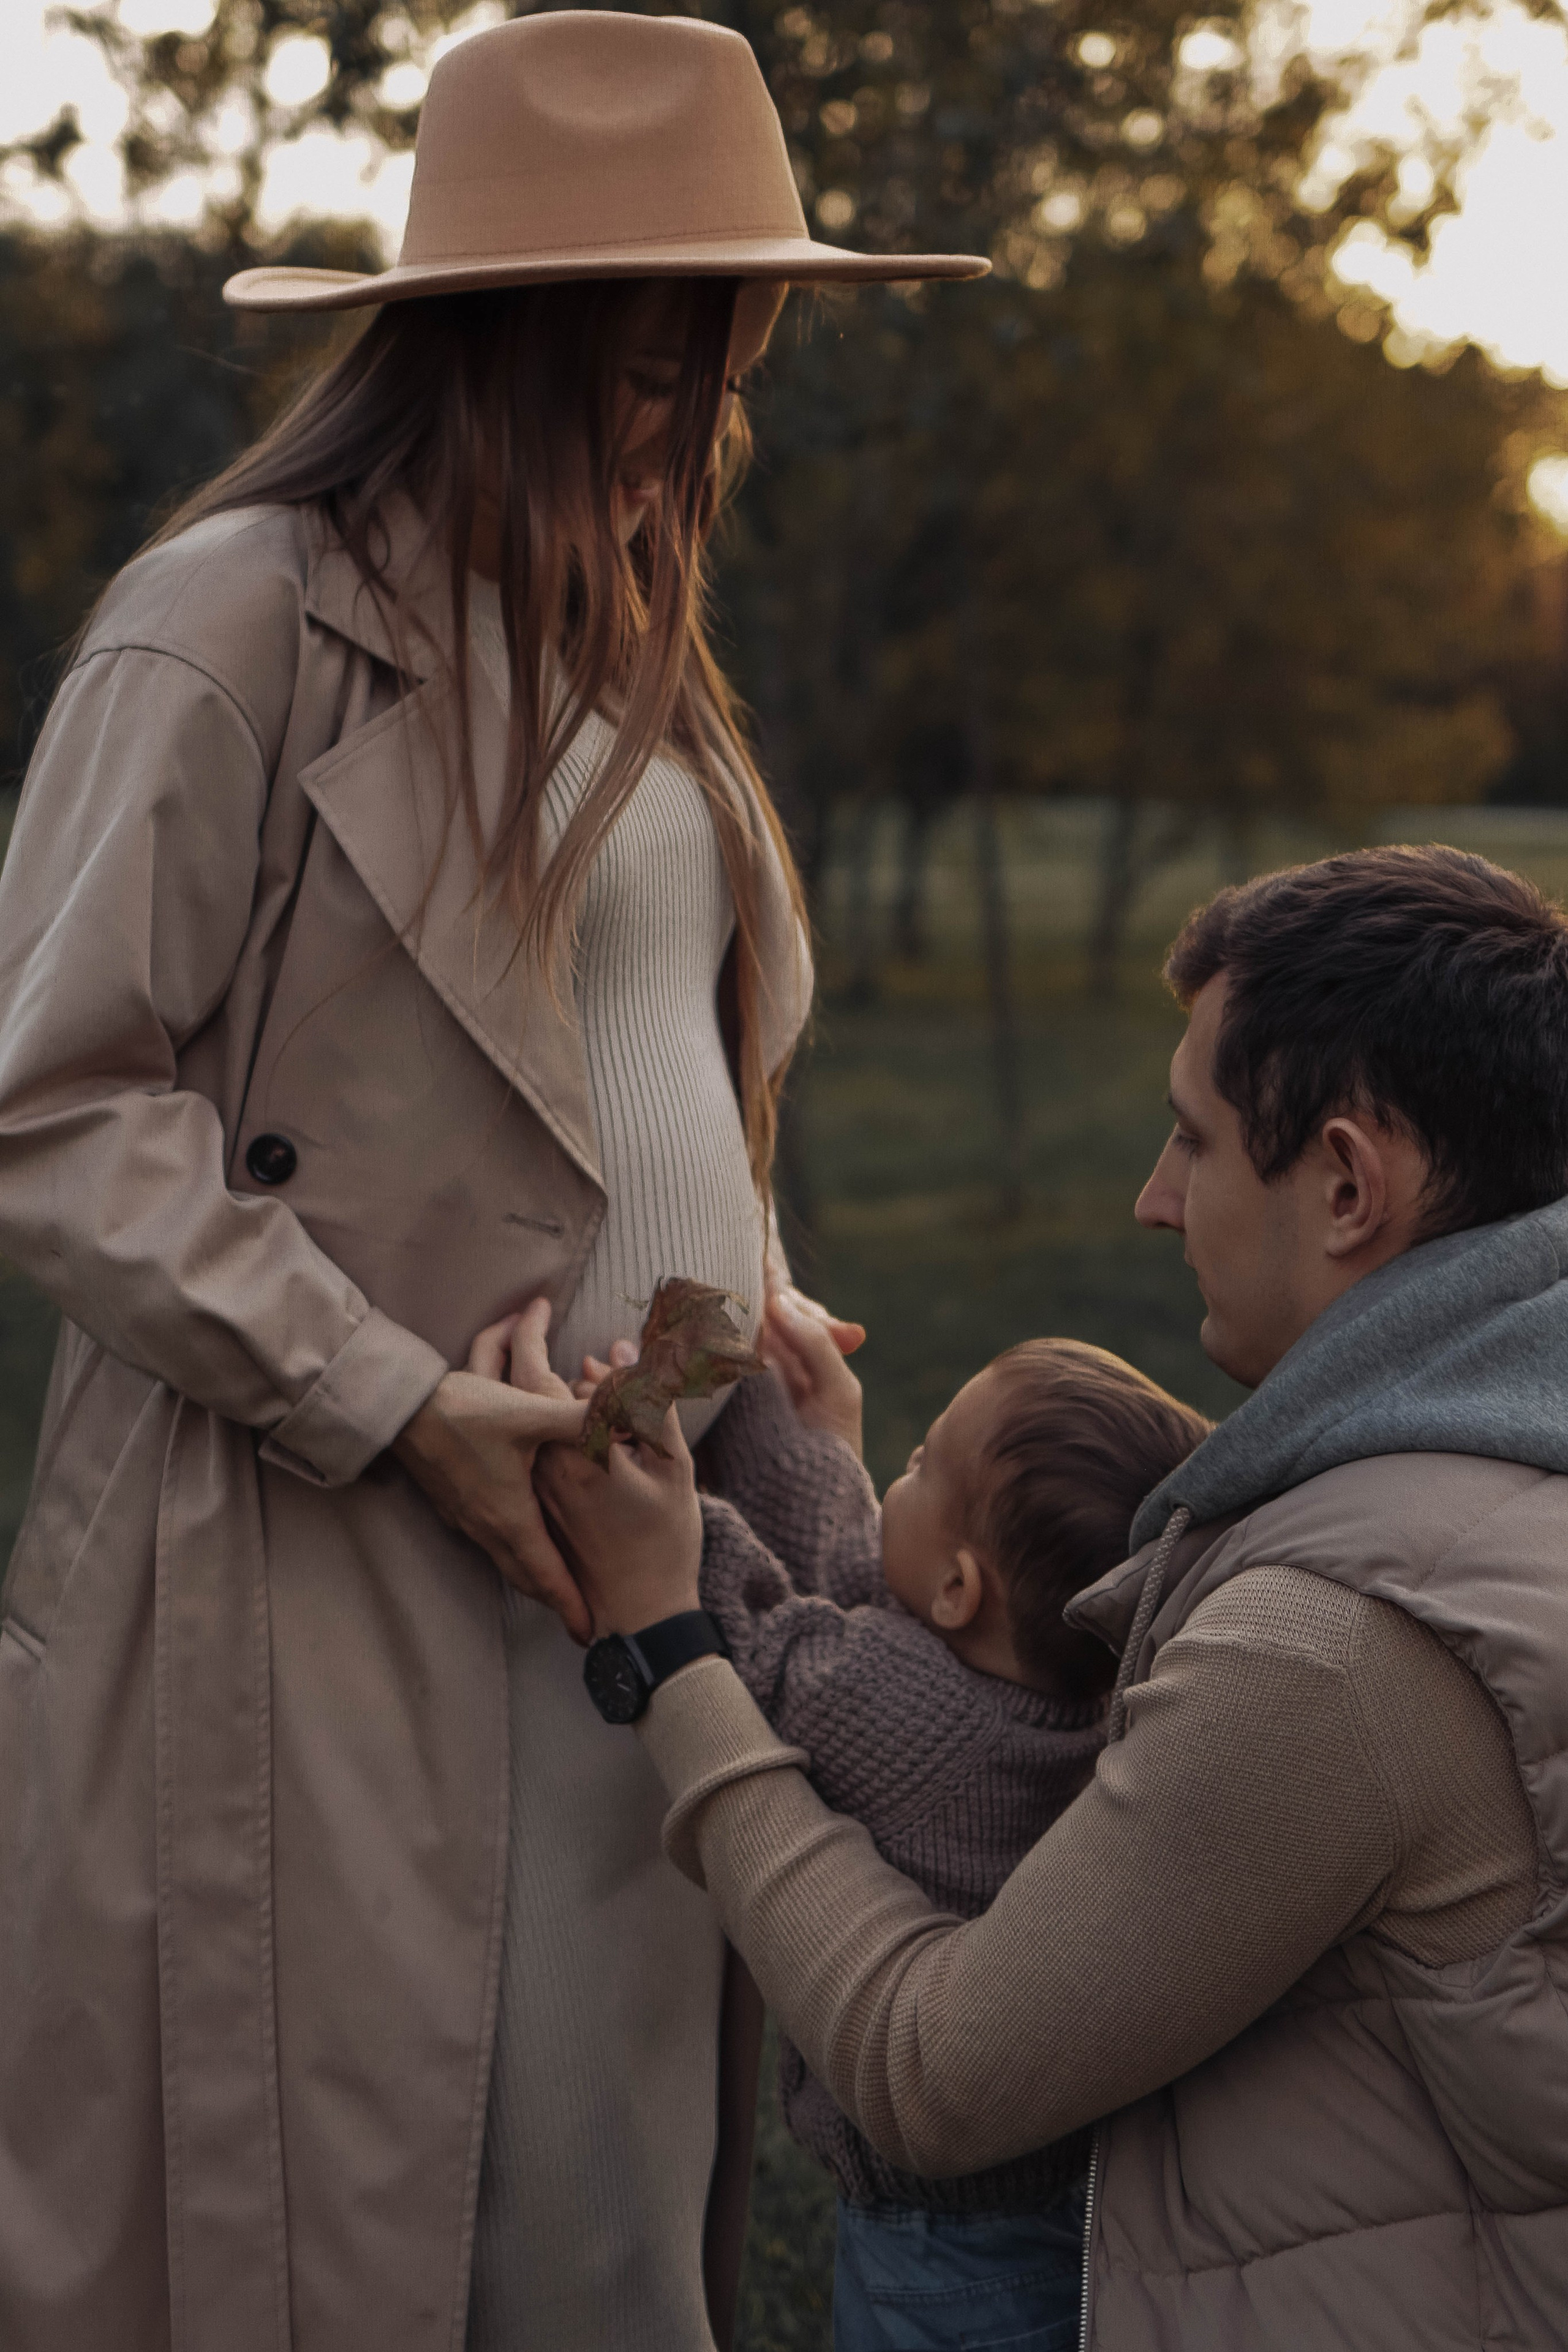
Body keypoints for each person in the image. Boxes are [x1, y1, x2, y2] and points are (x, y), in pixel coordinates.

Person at [0, 15, 988, 2351]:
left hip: (657, 1518)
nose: (705, 423)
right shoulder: (238, 619)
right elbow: (48, 1106)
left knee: (607, 2212)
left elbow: (617, 1061)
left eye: (728, 363)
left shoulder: (646, 638)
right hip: (332, 1539)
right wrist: (386, 1397)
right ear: (493, 353)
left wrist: (755, 1285)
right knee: (369, 2218)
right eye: (656, 369)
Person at [540, 843, 1568, 2352]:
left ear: (1346, 1182)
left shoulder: (1338, 1647)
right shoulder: (1501, 1461)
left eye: (1192, 1141)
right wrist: (837, 1471)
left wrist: (671, 1646)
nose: (1154, 1199)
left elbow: (929, 2073)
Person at [480, 1301, 1208, 2350]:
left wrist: (658, 1498)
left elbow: (771, 1631)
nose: (893, 1479)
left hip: (937, 2255)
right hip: (1068, 2218)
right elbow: (857, 1576)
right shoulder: (1070, 1706)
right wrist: (795, 1419)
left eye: (916, 1466)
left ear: (960, 1589)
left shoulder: (898, 1713)